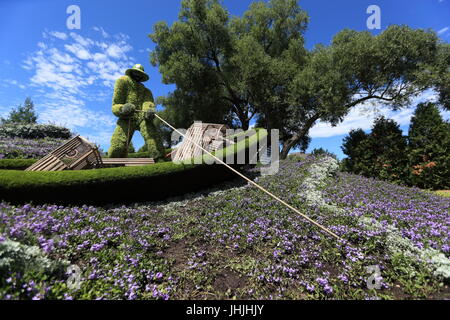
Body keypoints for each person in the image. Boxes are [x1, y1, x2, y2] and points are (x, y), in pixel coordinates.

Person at [108, 64, 165, 159]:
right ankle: (114, 164)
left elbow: (148, 103)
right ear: (131, 72)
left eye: (140, 74)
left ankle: (159, 159)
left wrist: (149, 110)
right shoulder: (122, 82)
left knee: (153, 140)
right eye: (135, 72)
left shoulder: (147, 91)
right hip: (126, 118)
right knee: (117, 145)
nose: (137, 75)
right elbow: (115, 106)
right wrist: (123, 109)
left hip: (143, 118)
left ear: (142, 76)